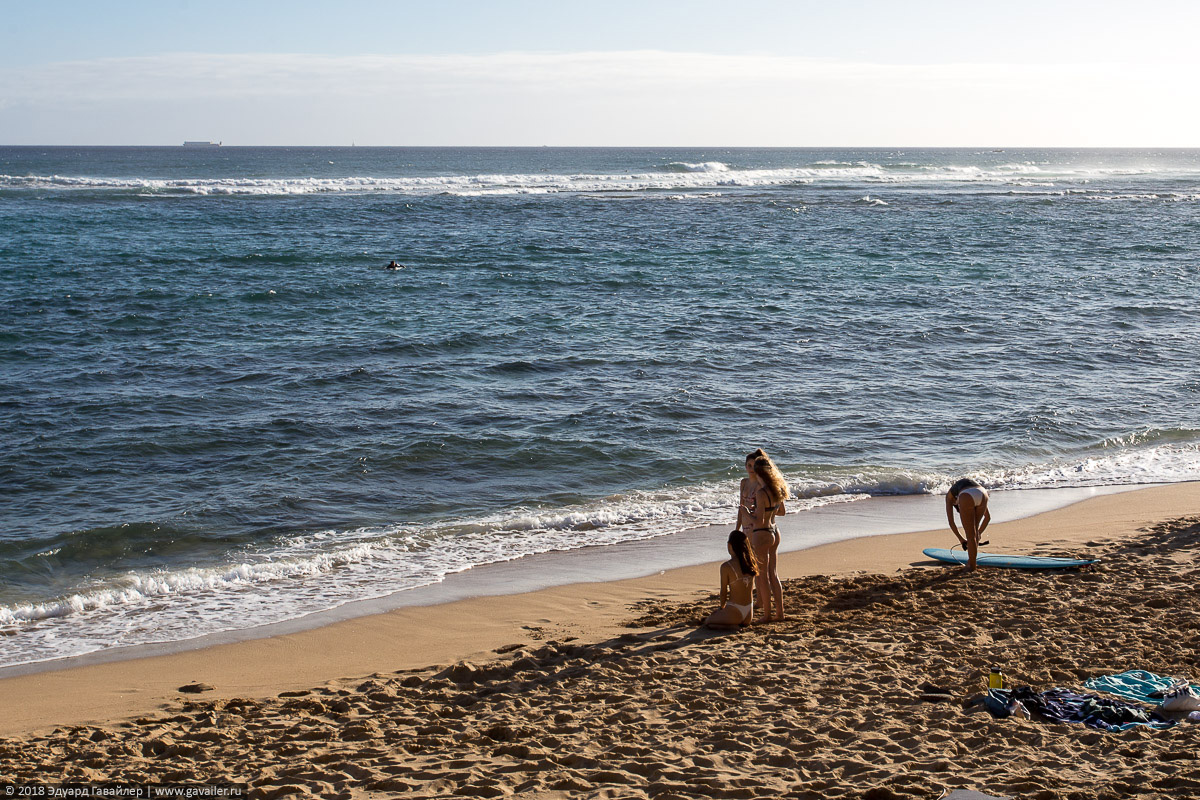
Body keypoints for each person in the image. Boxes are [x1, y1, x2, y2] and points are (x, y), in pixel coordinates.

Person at [745, 452, 789, 621]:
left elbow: (759, 520)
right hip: (775, 531)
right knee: (774, 574)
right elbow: (782, 512)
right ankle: (780, 613)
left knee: (762, 577)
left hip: (761, 533)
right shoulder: (777, 489)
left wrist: (746, 513)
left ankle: (767, 615)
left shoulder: (762, 493)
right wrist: (770, 510)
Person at [705, 530, 759, 629]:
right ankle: (735, 624)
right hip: (748, 613)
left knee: (708, 622)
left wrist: (721, 608)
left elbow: (723, 592)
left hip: (735, 611)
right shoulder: (750, 563)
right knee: (714, 621)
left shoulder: (726, 566)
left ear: (730, 545)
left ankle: (731, 626)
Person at [946, 477, 991, 571]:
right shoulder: (959, 490)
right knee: (973, 535)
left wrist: (961, 539)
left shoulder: (949, 497)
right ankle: (971, 563)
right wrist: (979, 533)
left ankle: (972, 567)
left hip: (967, 495)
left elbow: (951, 522)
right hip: (983, 493)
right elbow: (987, 518)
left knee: (970, 536)